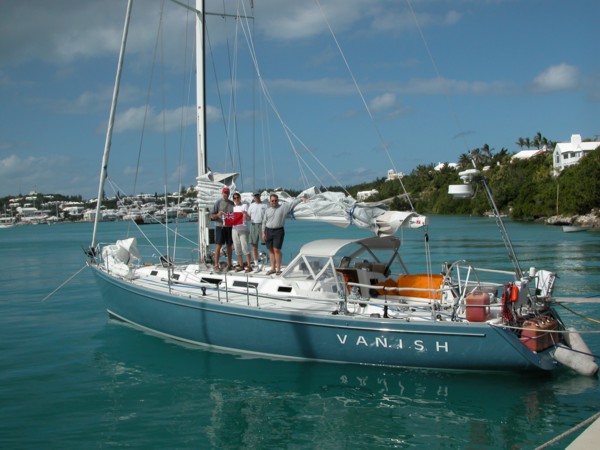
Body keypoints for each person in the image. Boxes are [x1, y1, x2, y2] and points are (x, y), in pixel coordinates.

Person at [262, 192, 307, 275]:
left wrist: (301, 199)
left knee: (277, 250)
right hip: (268, 231)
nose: (274, 202)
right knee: (271, 250)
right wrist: (263, 232)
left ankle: (278, 269)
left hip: (278, 231)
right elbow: (264, 222)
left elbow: (292, 203)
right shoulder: (267, 210)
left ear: (278, 200)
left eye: (275, 200)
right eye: (272, 201)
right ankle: (273, 268)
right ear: (270, 201)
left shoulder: (283, 207)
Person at [210, 186, 234, 272]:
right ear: (222, 193)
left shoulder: (232, 203)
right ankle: (216, 265)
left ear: (229, 193)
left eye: (227, 193)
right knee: (218, 245)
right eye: (224, 193)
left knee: (229, 245)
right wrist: (217, 215)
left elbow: (235, 216)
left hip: (229, 227)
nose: (225, 194)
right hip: (220, 226)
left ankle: (230, 264)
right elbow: (212, 216)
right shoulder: (218, 202)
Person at [231, 192, 252, 273]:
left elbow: (249, 218)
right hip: (234, 229)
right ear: (233, 199)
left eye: (237, 197)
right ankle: (241, 265)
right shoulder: (233, 208)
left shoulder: (245, 206)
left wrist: (245, 214)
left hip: (243, 229)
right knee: (237, 247)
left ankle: (249, 265)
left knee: (245, 247)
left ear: (240, 198)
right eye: (235, 198)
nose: (236, 199)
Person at [247, 192, 267, 270]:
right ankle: (256, 264)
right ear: (254, 197)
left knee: (268, 244)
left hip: (262, 225)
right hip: (253, 225)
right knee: (254, 246)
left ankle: (273, 263)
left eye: (258, 196)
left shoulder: (265, 205)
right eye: (255, 196)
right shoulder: (251, 206)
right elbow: (248, 216)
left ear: (260, 196)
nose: (257, 197)